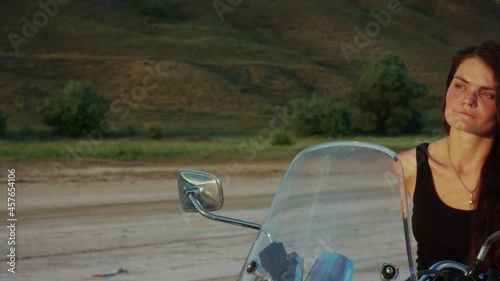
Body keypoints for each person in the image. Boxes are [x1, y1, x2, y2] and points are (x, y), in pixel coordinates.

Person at [398, 40, 500, 272]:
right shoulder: (409, 166)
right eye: (460, 86)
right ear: (447, 89)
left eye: (487, 94)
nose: (468, 100)